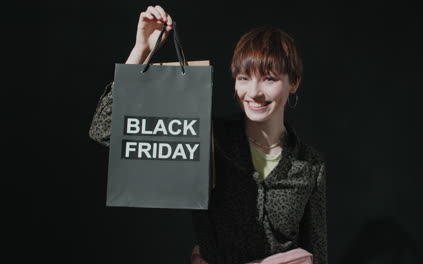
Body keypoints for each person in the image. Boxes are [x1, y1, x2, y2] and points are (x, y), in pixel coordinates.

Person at [89, 5, 328, 264]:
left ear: (294, 82)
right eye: (244, 78)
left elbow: (318, 251)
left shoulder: (310, 166)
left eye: (269, 79)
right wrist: (141, 52)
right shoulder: (208, 138)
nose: (254, 92)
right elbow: (105, 130)